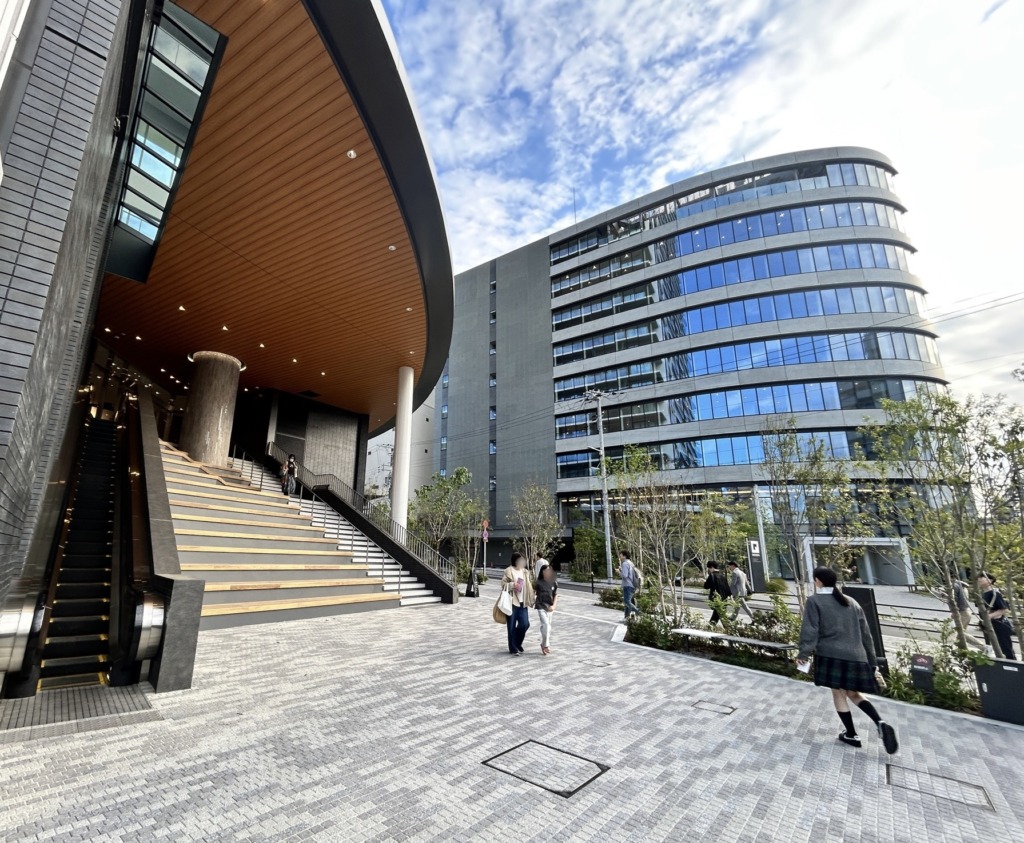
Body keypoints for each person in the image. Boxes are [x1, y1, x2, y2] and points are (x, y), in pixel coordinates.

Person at [797, 566, 898, 754]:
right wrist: (872, 661)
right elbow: (866, 634)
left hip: (831, 655)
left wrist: (803, 654)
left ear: (818, 581)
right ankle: (880, 722)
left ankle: (851, 734)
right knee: (854, 693)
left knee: (838, 694)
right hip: (857, 656)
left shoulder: (815, 601)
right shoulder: (851, 602)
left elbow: (811, 630)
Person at [977, 572, 1017, 660]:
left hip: (999, 624)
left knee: (1005, 648)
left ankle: (1011, 665)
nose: (979, 579)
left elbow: (1004, 609)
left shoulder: (994, 593)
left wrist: (990, 616)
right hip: (990, 624)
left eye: (982, 577)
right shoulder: (984, 593)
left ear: (990, 580)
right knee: (997, 647)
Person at [501, 553, 534, 655]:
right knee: (511, 626)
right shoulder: (508, 571)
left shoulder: (525, 572)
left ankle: (517, 642)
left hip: (523, 602)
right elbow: (503, 584)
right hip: (512, 602)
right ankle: (513, 648)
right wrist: (512, 585)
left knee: (525, 624)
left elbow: (529, 585)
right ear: (515, 561)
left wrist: (532, 598)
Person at [952, 578, 987, 651]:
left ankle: (984, 647)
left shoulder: (955, 586)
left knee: (959, 633)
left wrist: (955, 611)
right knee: (960, 634)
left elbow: (954, 600)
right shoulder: (962, 585)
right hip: (966, 611)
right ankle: (962, 650)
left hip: (962, 612)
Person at [535, 564, 558, 655]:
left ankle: (543, 644)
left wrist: (554, 606)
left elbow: (555, 595)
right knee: (546, 625)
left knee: (547, 628)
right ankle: (546, 646)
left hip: (550, 607)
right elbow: (533, 593)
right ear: (542, 572)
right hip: (541, 606)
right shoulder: (538, 582)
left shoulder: (553, 582)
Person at [619, 550, 641, 620]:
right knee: (628, 602)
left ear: (624, 556)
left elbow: (625, 575)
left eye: (621, 555)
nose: (620, 556)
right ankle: (626, 617)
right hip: (632, 584)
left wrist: (619, 572)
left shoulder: (625, 564)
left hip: (628, 585)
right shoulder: (630, 563)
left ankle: (639, 613)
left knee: (627, 602)